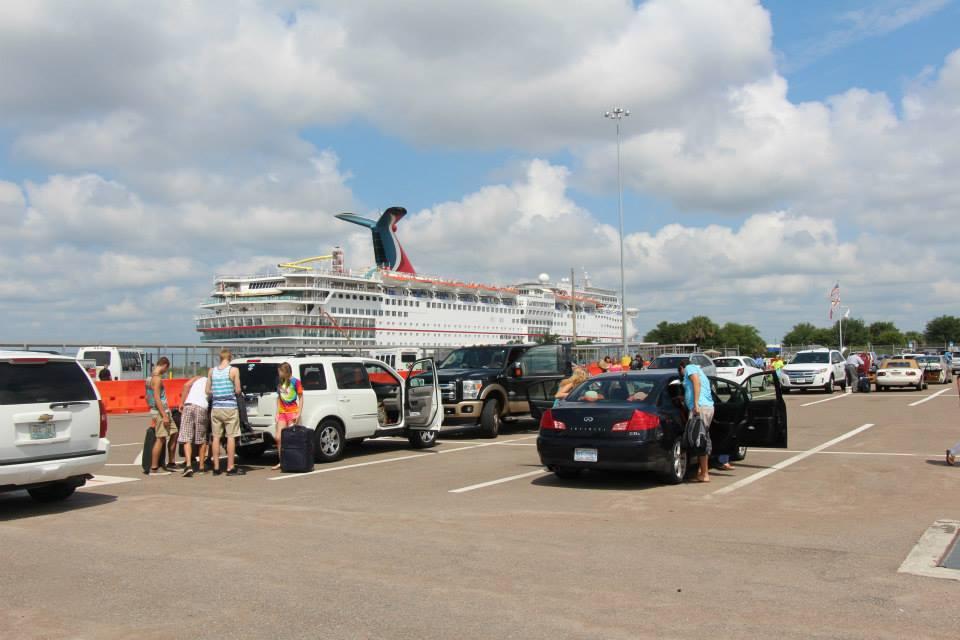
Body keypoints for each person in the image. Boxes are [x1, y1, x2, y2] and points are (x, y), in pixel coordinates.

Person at [205, 349, 245, 476]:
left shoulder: (212, 371)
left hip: (216, 408)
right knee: (231, 436)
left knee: (216, 437)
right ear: (230, 358)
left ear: (220, 358)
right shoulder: (233, 370)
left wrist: (217, 392)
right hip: (230, 407)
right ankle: (230, 467)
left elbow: (207, 390)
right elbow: (238, 390)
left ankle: (216, 467)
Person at [679, 358, 715, 482]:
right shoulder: (700, 371)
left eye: (680, 371)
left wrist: (695, 404)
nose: (682, 375)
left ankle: (704, 474)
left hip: (700, 408)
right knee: (702, 438)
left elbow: (696, 383)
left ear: (682, 367)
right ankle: (702, 471)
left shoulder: (690, 368)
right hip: (707, 407)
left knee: (699, 440)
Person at [146, 356, 178, 474]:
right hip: (161, 411)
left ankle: (171, 461)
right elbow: (157, 397)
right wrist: (163, 415)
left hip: (158, 410)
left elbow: (147, 397)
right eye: (166, 369)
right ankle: (154, 467)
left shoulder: (149, 378)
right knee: (160, 438)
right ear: (164, 365)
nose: (165, 372)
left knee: (174, 433)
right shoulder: (157, 379)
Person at [272, 362, 303, 470]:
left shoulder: (296, 382)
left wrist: (298, 413)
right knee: (278, 437)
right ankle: (282, 461)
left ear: (285, 371)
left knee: (292, 438)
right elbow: (278, 398)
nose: (279, 374)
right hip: (282, 413)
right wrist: (277, 412)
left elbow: (301, 397)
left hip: (292, 412)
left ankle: (293, 461)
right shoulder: (280, 382)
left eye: (280, 372)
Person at [177, 374, 209, 477]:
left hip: (188, 405)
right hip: (201, 407)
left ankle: (188, 465)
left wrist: (181, 402)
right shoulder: (211, 380)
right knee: (201, 438)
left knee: (187, 437)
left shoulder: (197, 378)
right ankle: (201, 467)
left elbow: (186, 385)